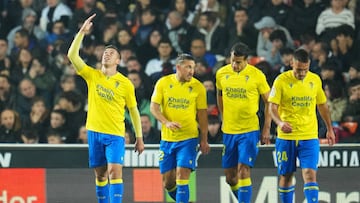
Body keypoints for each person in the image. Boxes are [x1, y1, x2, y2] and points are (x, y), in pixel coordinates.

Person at [67, 14, 144, 203]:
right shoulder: (92, 75)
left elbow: (133, 111)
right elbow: (71, 55)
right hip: (94, 132)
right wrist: (82, 33)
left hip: (115, 134)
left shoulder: (125, 84)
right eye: (105, 52)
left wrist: (139, 137)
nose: (106, 54)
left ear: (118, 61)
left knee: (114, 171)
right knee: (101, 176)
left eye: (111, 53)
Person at [268, 49, 336, 203]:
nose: (302, 74)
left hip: (309, 135)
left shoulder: (315, 80)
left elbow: (322, 106)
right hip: (287, 137)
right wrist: (280, 122)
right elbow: (272, 107)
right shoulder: (281, 81)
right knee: (286, 176)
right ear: (292, 63)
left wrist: (330, 129)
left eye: (305, 70)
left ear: (309, 65)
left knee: (310, 174)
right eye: (299, 70)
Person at [215, 42, 271, 203]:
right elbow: (220, 94)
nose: (234, 65)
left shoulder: (257, 75)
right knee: (230, 178)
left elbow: (269, 102)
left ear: (247, 60)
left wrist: (266, 128)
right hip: (229, 131)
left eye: (238, 62)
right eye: (232, 60)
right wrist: (223, 115)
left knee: (243, 170)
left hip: (249, 130)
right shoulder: (221, 74)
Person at [150, 53, 210, 203]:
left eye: (193, 67)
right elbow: (154, 108)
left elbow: (202, 116)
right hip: (167, 139)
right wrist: (166, 122)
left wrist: (204, 139)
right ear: (178, 67)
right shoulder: (163, 83)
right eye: (188, 67)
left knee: (182, 176)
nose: (192, 71)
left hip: (188, 139)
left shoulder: (198, 87)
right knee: (168, 183)